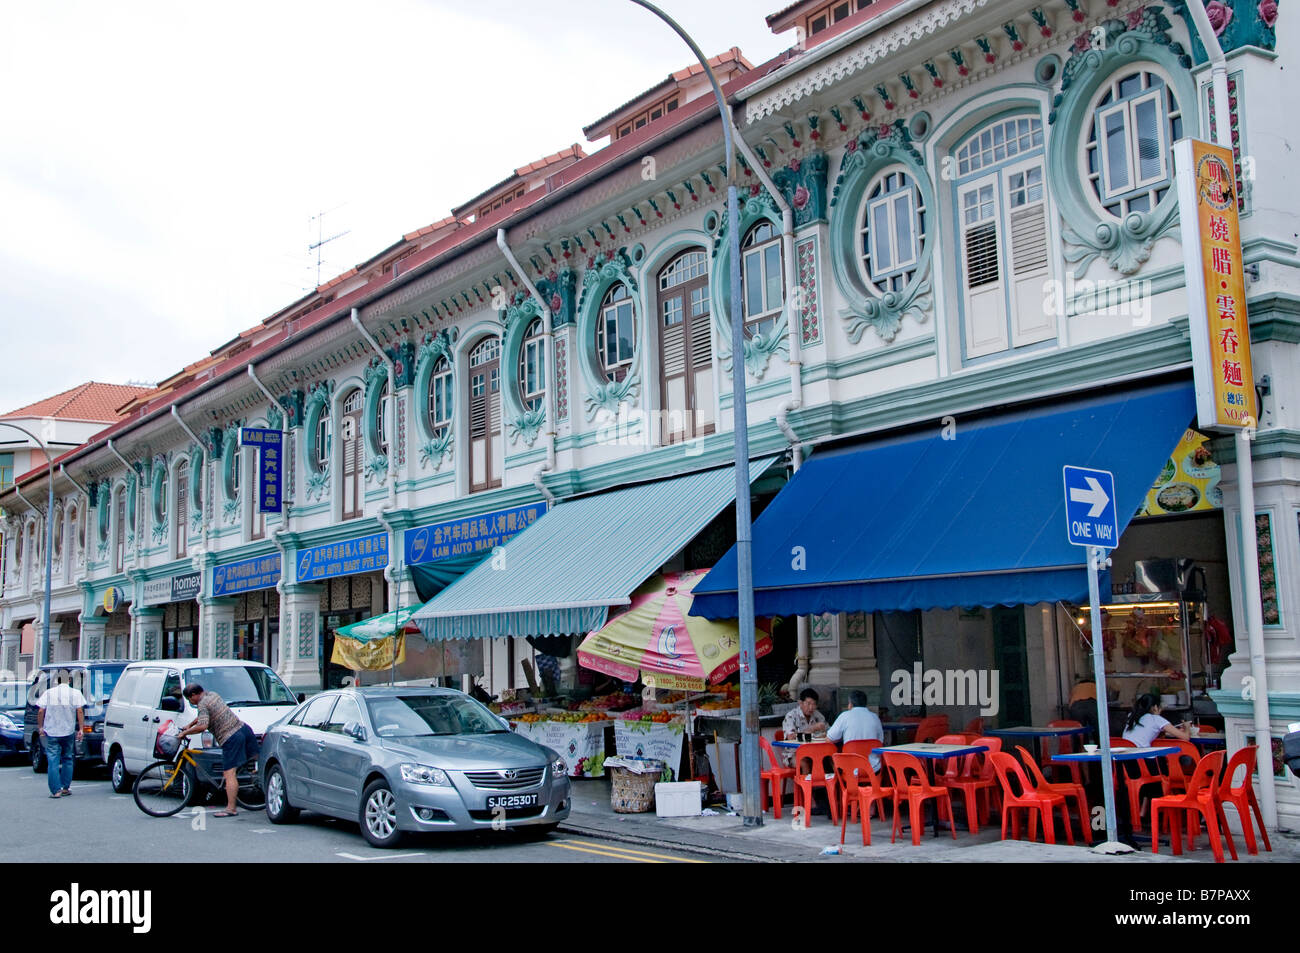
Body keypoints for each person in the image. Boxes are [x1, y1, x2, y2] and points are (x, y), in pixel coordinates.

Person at [175, 683, 258, 817]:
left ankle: (231, 809)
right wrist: (190, 724)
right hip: (243, 728)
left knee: (229, 774)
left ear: (194, 695)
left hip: (231, 737)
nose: (191, 702)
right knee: (254, 761)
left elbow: (203, 725)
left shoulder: (202, 704)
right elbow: (204, 715)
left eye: (190, 700)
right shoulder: (212, 694)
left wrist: (185, 733)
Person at [36, 672, 86, 799]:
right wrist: (80, 729)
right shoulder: (75, 693)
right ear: (69, 680)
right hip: (68, 730)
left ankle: (55, 790)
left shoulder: (49, 693)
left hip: (51, 731)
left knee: (53, 760)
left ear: (57, 681)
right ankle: (65, 787)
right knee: (68, 758)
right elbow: (79, 710)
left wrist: (40, 727)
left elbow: (41, 710)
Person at [826, 690, 884, 770]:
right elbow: (880, 741)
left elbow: (829, 739)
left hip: (850, 769)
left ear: (850, 704)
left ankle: (838, 780)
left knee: (832, 754)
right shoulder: (875, 717)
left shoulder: (845, 716)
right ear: (865, 704)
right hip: (873, 769)